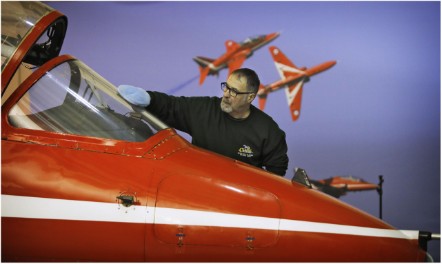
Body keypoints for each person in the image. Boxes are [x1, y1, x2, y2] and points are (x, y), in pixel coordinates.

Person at [118, 68, 289, 176]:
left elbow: (276, 173)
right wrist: (149, 98)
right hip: (200, 192)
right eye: (226, 87)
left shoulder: (267, 130)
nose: (226, 94)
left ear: (250, 97)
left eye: (234, 91)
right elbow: (173, 106)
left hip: (240, 202)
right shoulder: (205, 109)